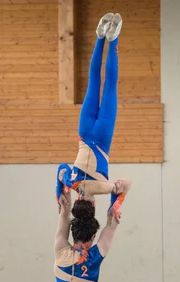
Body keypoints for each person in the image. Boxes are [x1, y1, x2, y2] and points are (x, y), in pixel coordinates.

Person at [56, 12, 130, 219]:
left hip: (102, 136)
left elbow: (126, 185)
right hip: (85, 131)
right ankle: (100, 38)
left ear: (94, 205)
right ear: (77, 202)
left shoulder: (104, 188)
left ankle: (113, 37)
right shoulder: (71, 182)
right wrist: (59, 192)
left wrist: (115, 206)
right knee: (93, 82)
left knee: (109, 87)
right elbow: (60, 169)